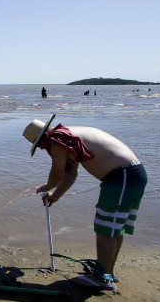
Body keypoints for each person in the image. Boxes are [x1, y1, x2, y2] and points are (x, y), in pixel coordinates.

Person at [23, 114, 147, 291]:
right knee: (113, 227)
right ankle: (107, 272)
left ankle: (102, 278)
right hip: (130, 175)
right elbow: (71, 173)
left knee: (105, 228)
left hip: (122, 176)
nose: (44, 150)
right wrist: (56, 195)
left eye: (41, 146)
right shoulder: (69, 136)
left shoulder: (57, 139)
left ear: (44, 138)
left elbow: (57, 173)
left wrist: (49, 185)